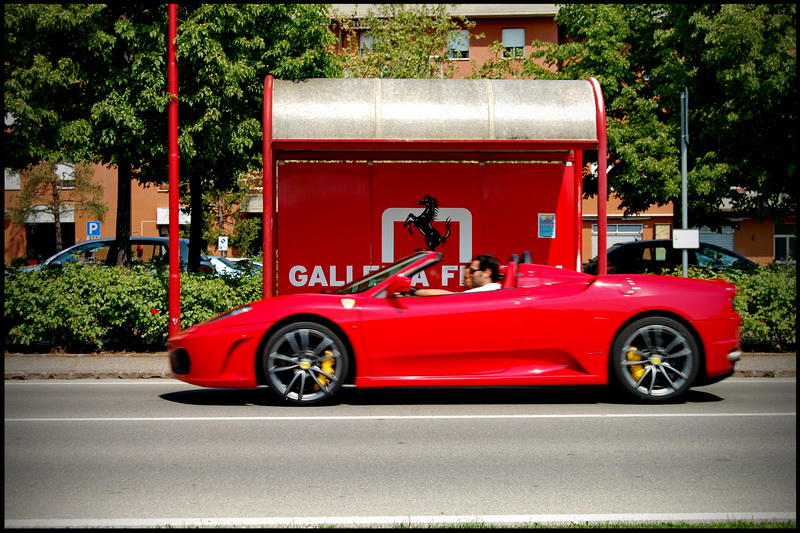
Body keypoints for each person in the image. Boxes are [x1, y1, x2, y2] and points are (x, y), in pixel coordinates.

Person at [413, 254, 502, 295]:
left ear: (487, 272)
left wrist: (412, 291)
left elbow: (448, 296)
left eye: (472, 271)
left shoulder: (487, 291)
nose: (470, 275)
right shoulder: (492, 290)